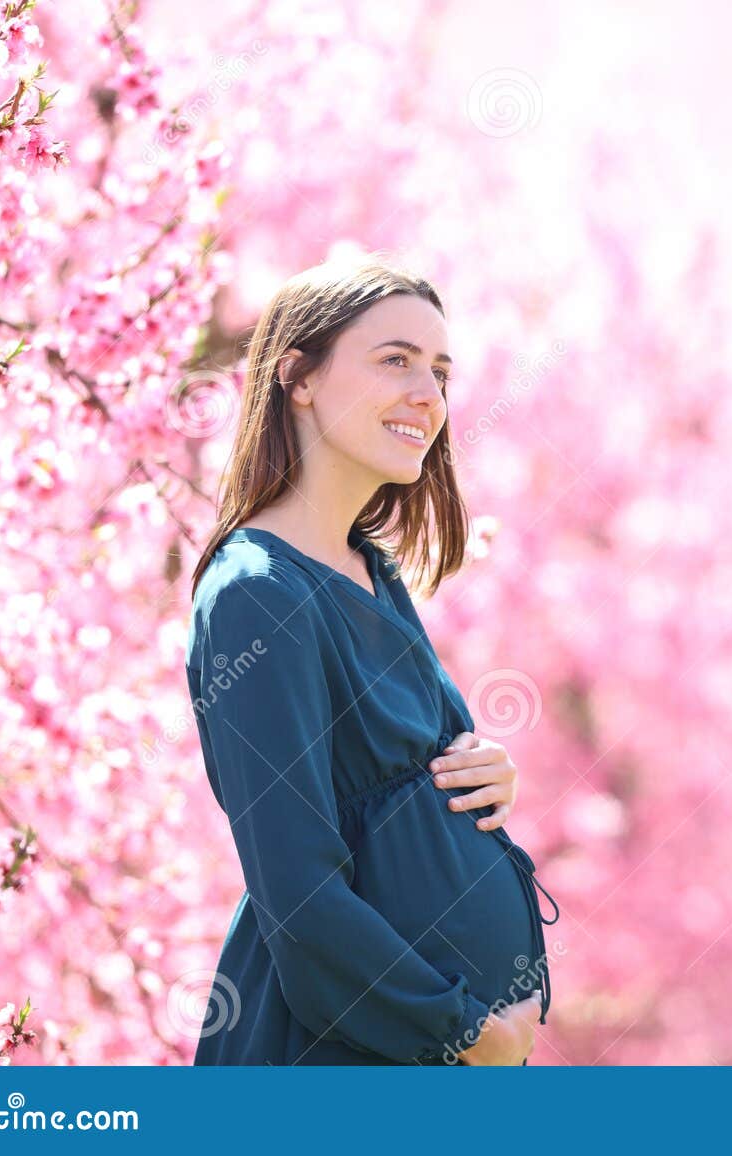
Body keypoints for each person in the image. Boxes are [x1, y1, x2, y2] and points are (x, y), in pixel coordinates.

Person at [184, 253, 557, 1065]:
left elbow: (404, 782)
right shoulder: (258, 595)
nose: (429, 395)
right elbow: (299, 895)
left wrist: (486, 775)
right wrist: (465, 1032)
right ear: (299, 377)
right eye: (395, 360)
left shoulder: (371, 570)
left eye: (441, 373)